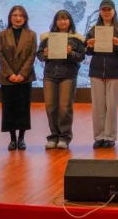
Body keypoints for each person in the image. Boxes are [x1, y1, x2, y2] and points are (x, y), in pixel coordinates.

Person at [85, 0, 118, 149]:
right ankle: (99, 136)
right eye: (103, 10)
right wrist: (90, 46)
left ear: (114, 11)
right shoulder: (93, 30)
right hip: (96, 72)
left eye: (108, 9)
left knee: (112, 107)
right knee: (97, 106)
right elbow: (87, 51)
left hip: (115, 72)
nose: (106, 12)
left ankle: (110, 137)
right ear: (99, 12)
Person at [36, 9, 86, 149]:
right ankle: (54, 136)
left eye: (65, 19)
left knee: (65, 107)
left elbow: (81, 56)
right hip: (50, 75)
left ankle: (64, 136)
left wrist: (71, 53)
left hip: (68, 75)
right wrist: (45, 54)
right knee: (50, 106)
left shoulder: (77, 39)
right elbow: (39, 54)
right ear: (55, 22)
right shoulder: (47, 38)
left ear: (70, 21)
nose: (62, 21)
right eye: (60, 19)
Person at [0, 5, 37, 151]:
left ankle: (21, 138)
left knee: (23, 108)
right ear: (10, 17)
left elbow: (32, 55)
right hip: (7, 78)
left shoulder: (31, 35)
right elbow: (0, 54)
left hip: (24, 78)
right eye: (15, 15)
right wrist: (10, 74)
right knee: (9, 108)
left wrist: (22, 74)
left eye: (21, 15)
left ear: (25, 18)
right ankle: (12, 139)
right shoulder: (2, 34)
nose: (18, 18)